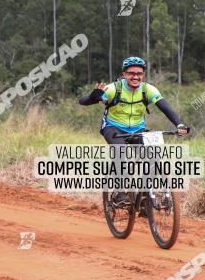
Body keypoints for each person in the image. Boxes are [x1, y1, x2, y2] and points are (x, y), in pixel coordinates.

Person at [79, 57, 189, 204]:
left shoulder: (148, 90)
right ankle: (120, 191)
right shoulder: (114, 89)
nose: (135, 77)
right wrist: (93, 97)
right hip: (113, 127)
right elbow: (83, 101)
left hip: (138, 129)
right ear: (124, 74)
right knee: (121, 151)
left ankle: (145, 198)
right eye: (131, 73)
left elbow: (166, 108)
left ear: (143, 75)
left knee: (153, 157)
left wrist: (179, 124)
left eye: (139, 73)